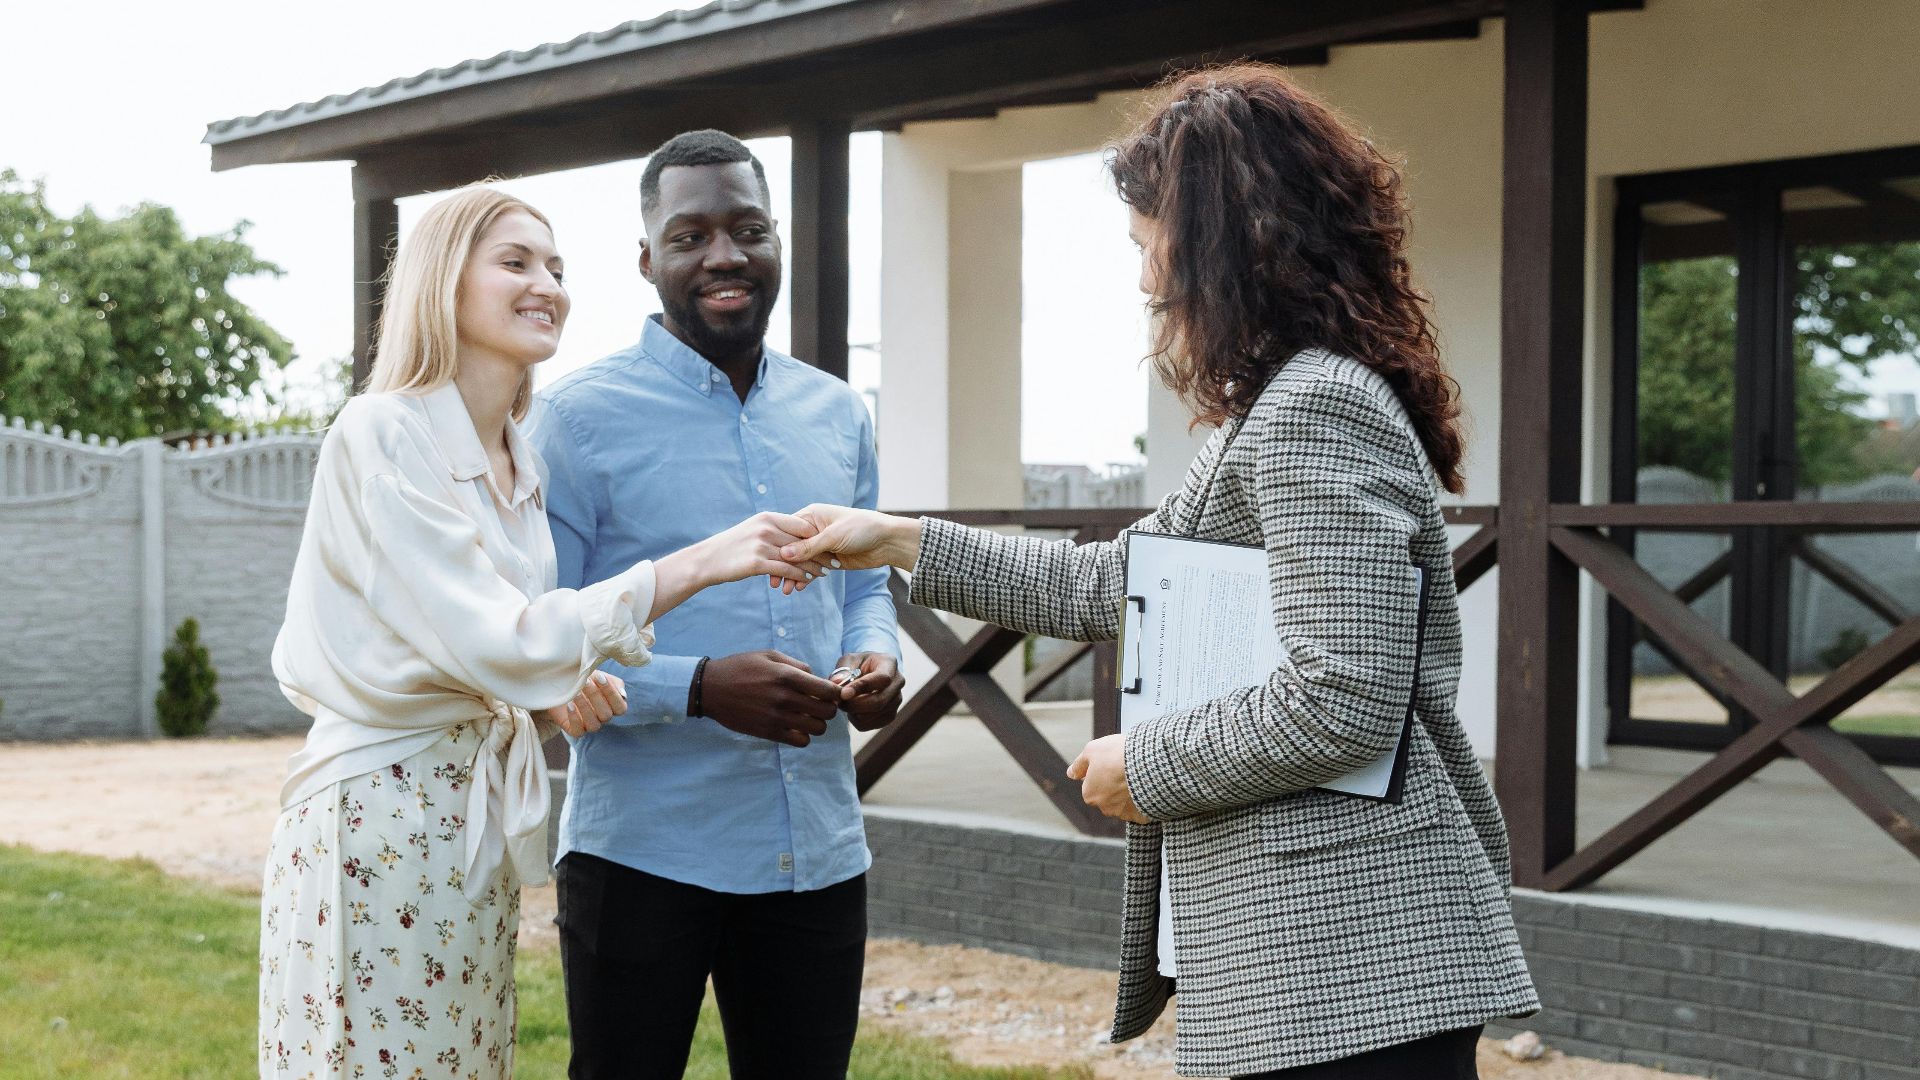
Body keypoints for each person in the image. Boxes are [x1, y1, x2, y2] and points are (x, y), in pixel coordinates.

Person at [780, 65, 1539, 1079]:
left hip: (1349, 960)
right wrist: (897, 540)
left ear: (1227, 241)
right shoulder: (1281, 407)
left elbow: (1343, 697)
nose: (1146, 280)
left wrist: (1146, 765)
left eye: (1150, 243)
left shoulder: (1315, 408)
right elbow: (1111, 584)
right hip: (1315, 967)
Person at [259, 185, 825, 1079]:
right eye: (516, 262)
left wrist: (561, 682)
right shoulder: (382, 432)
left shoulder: (517, 457)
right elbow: (505, 638)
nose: (548, 286)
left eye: (557, 268)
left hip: (472, 821)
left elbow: (498, 646)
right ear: (443, 281)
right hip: (380, 815)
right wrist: (702, 562)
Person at [529, 129, 903, 1080]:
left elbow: (864, 585)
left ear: (777, 241)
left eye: (747, 230)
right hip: (641, 855)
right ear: (646, 259)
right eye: (690, 237)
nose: (724, 255)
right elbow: (541, 643)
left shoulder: (838, 412)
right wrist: (699, 688)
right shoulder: (571, 421)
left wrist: (876, 654)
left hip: (816, 850)